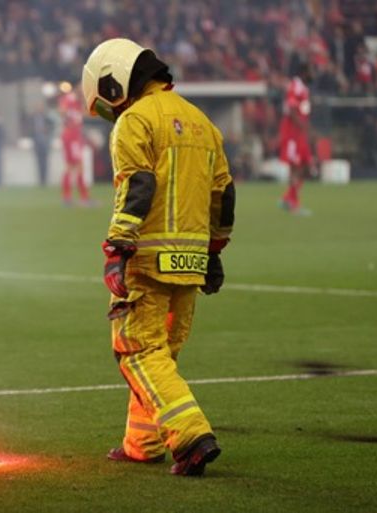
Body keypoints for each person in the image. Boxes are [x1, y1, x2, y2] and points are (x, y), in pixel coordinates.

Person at [81, 38, 235, 477]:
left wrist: (117, 248)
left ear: (114, 82)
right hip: (189, 263)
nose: (109, 113)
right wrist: (214, 251)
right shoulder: (202, 122)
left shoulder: (135, 121)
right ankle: (142, 443)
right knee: (160, 355)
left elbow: (138, 187)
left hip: (147, 260)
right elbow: (224, 196)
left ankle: (191, 436)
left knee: (137, 351)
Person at [278, 62, 314, 215]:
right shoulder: (296, 87)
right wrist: (303, 127)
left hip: (300, 133)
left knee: (306, 165)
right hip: (293, 133)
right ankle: (294, 204)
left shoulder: (303, 88)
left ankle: (288, 198)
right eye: (311, 71)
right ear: (304, 72)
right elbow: (292, 110)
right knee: (295, 167)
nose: (313, 74)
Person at [59, 86, 92, 205]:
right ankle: (83, 198)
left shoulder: (77, 102)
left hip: (72, 135)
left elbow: (84, 114)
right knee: (77, 165)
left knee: (71, 166)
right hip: (71, 136)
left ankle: (67, 197)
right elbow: (62, 111)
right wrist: (68, 117)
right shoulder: (70, 99)